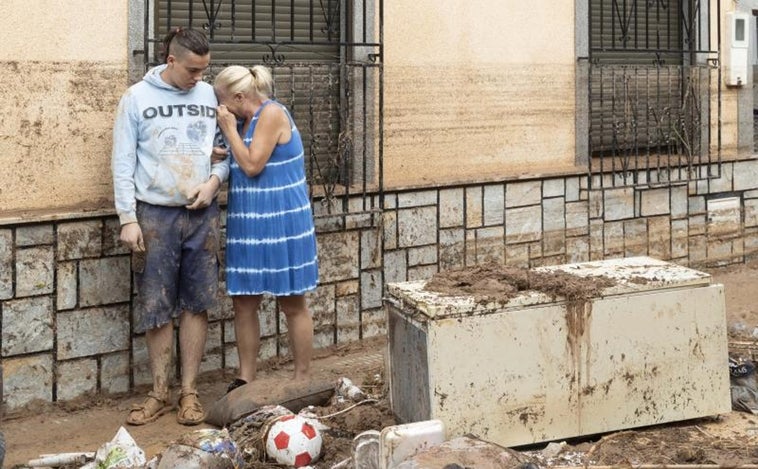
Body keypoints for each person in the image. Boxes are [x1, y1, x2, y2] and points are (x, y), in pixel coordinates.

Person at [111, 27, 229, 426]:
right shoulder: (136, 98)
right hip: (155, 215)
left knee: (198, 302)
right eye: (193, 70)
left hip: (202, 215)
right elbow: (122, 161)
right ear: (171, 60)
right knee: (156, 305)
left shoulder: (209, 95)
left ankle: (189, 393)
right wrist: (128, 218)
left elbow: (224, 152)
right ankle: (159, 391)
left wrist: (213, 183)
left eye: (205, 70)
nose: (199, 77)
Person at [213, 65, 318, 392]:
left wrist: (229, 132)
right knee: (244, 300)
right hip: (248, 223)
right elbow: (242, 158)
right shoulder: (244, 122)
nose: (221, 107)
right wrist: (223, 149)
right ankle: (246, 377)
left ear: (240, 97)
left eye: (223, 100)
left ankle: (302, 378)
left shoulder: (272, 114)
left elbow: (253, 164)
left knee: (291, 301)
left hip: (282, 221)